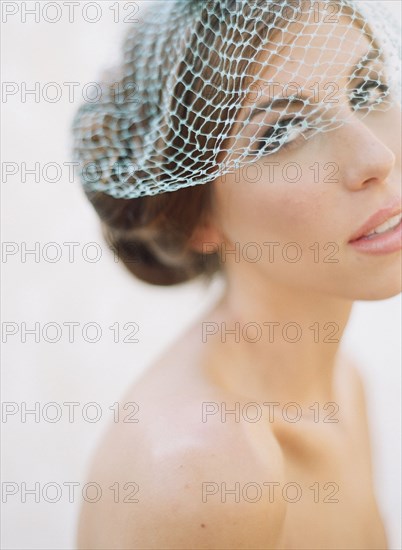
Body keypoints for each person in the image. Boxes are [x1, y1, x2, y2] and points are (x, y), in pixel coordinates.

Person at [73, 0, 401, 548]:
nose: (376, 157)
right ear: (196, 215)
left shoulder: (346, 384)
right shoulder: (205, 475)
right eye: (282, 133)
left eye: (366, 91)